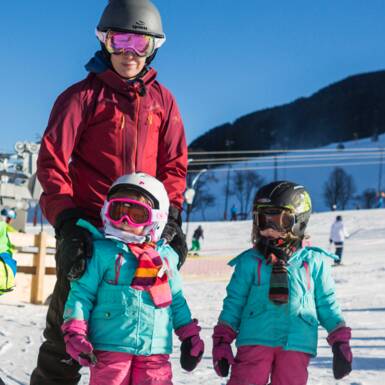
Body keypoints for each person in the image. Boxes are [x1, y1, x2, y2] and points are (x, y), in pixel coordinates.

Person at [32, 1, 188, 384]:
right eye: (119, 40)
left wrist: (174, 219)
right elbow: (52, 163)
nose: (128, 53)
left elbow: (174, 166)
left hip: (141, 236)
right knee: (67, 332)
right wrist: (69, 223)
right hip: (89, 230)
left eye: (139, 43)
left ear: (154, 47)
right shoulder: (81, 98)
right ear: (104, 40)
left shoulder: (162, 102)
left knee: (137, 332)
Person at [61, 173, 204, 385]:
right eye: (118, 212)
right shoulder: (101, 253)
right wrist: (75, 332)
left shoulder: (165, 258)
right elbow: (82, 294)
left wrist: (189, 335)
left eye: (136, 214)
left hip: (155, 349)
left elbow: (176, 299)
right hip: (111, 347)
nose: (125, 222)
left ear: (156, 218)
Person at [212, 181, 352, 385]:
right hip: (255, 340)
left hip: (296, 342)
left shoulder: (313, 263)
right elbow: (234, 304)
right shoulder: (250, 262)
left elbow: (327, 305)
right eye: (263, 219)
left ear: (298, 221)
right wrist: (222, 340)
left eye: (278, 220)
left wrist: (340, 340)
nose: (269, 228)